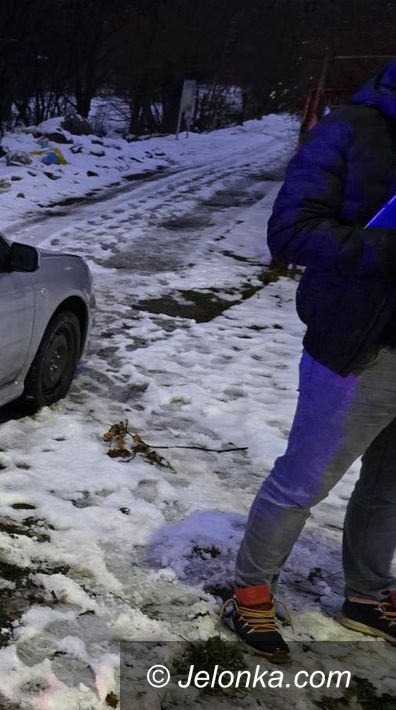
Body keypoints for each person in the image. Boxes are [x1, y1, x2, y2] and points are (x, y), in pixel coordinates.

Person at [224, 58, 396, 660]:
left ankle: (367, 596)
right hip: (359, 346)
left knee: (390, 488)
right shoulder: (353, 127)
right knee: (302, 482)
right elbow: (291, 231)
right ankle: (249, 590)